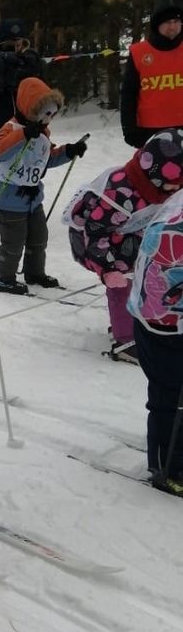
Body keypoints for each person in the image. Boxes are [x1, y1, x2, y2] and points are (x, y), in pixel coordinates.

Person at [65, 128, 183, 363]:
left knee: (146, 268)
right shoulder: (120, 194)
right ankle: (126, 339)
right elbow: (95, 232)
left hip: (126, 233)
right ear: (157, 173)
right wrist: (108, 269)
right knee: (123, 277)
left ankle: (138, 319)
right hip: (92, 241)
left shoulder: (155, 186)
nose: (178, 189)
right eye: (175, 184)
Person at [0, 77, 87, 294]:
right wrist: (22, 135)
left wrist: (69, 151)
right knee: (13, 242)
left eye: (52, 114)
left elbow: (46, 159)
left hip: (33, 199)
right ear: (30, 108)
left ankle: (34, 272)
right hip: (9, 199)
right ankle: (3, 277)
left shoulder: (42, 134)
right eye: (45, 113)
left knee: (38, 238)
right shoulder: (11, 127)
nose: (48, 119)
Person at [127, 189, 183, 494]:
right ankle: (168, 468)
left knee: (168, 396)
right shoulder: (175, 219)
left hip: (157, 315)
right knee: (170, 399)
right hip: (163, 323)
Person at [0, 19, 43, 169]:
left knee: (28, 177)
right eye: (11, 44)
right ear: (1, 42)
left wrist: (34, 72)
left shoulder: (27, 62)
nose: (16, 48)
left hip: (26, 128)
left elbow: (41, 98)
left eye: (20, 44)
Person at [121, 0, 183, 148]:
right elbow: (129, 94)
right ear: (157, 24)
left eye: (176, 21)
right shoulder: (139, 52)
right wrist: (129, 128)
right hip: (149, 131)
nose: (173, 27)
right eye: (168, 22)